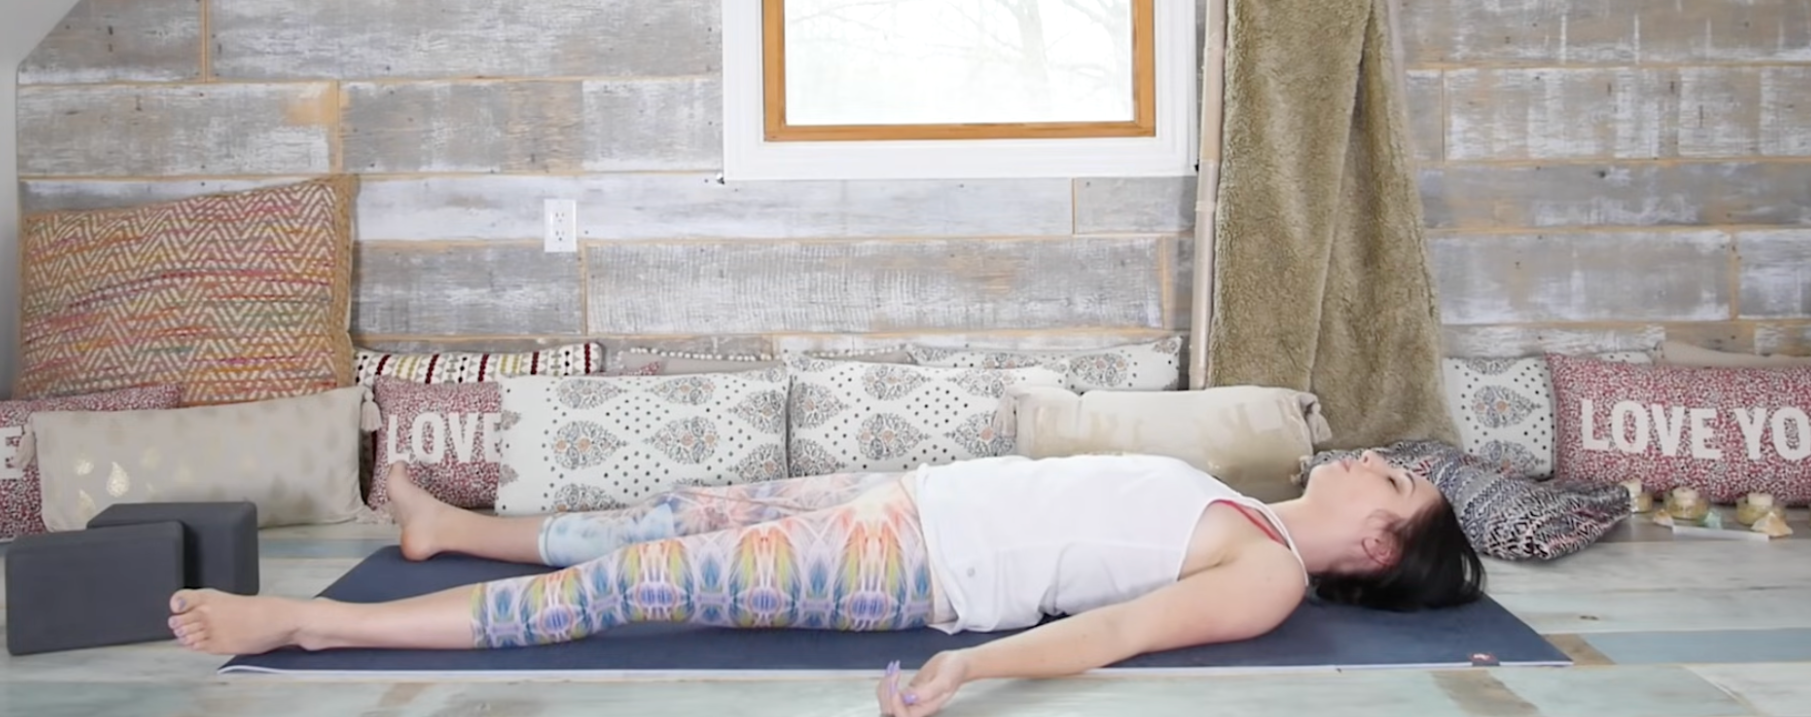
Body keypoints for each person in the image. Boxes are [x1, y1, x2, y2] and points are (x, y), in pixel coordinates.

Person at [168, 449, 1482, 717]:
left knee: (641, 586)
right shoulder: (1246, 498)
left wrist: (971, 665)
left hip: (908, 561)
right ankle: (448, 532)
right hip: (914, 496)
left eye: (1397, 484)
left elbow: (1118, 632)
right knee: (669, 519)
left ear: (1379, 549)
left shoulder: (1261, 574)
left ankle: (305, 620)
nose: (1379, 462)